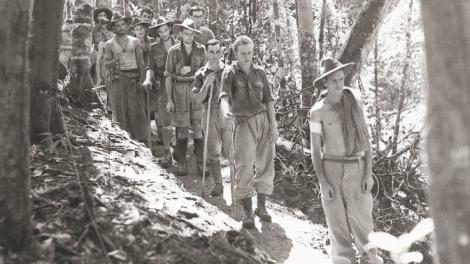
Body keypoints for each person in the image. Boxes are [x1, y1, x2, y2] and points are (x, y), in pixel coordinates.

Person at [309, 58, 383, 264]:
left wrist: (368, 173)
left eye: (341, 79)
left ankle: (370, 260)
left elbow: (366, 141)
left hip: (356, 169)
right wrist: (323, 182)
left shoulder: (355, 105)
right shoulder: (317, 112)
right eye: (333, 81)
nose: (339, 84)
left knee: (363, 224)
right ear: (325, 83)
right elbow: (315, 151)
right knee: (337, 226)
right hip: (331, 168)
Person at [219, 35, 278, 229]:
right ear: (235, 53)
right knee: (244, 165)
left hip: (264, 122)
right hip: (243, 122)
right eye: (243, 53)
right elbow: (224, 97)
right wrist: (226, 111)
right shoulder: (229, 72)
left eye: (250, 53)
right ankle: (247, 212)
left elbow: (268, 100)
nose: (247, 57)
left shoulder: (260, 73)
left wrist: (274, 126)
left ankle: (262, 207)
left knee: (266, 164)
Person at [165, 19, 206, 176]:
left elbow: (207, 73)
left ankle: (200, 163)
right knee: (181, 128)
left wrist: (193, 69)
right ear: (181, 33)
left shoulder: (201, 50)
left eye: (192, 34)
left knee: (197, 127)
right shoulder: (173, 51)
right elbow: (168, 76)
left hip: (196, 91)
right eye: (186, 33)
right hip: (179, 91)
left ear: (195, 34)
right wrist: (169, 99)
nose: (189, 37)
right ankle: (182, 162)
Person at [192, 39, 233, 197]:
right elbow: (197, 99)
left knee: (232, 151)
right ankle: (218, 185)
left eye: (218, 52)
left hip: (228, 113)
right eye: (211, 52)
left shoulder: (229, 71)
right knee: (213, 153)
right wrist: (206, 84)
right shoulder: (201, 74)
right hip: (209, 113)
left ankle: (237, 187)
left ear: (222, 52)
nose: (215, 55)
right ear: (206, 53)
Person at [104, 12, 149, 143]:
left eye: (123, 24)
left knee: (135, 109)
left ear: (127, 25)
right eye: (117, 26)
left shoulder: (134, 41)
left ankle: (141, 139)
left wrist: (142, 80)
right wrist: (115, 59)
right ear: (113, 28)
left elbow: (141, 62)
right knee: (120, 109)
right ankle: (123, 138)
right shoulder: (109, 44)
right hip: (118, 79)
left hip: (133, 79)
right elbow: (107, 64)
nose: (121, 27)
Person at [143, 17, 178, 167]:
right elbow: (149, 67)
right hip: (162, 86)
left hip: (179, 84)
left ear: (170, 29)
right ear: (157, 33)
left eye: (165, 30)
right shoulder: (154, 48)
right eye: (160, 31)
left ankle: (180, 155)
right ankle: (166, 154)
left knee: (181, 121)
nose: (163, 33)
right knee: (164, 122)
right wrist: (148, 79)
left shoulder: (179, 45)